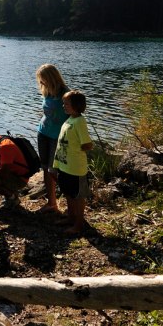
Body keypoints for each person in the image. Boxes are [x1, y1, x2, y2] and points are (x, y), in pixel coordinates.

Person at [53, 90, 94, 235]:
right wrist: (56, 164)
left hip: (76, 167)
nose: (63, 106)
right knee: (68, 193)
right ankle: (71, 217)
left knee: (78, 196)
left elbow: (87, 144)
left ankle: (78, 224)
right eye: (63, 103)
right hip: (65, 166)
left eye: (67, 104)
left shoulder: (80, 121)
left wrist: (81, 147)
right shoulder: (69, 119)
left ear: (76, 105)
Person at [34, 63, 69, 214]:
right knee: (45, 169)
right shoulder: (47, 92)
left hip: (57, 137)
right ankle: (52, 203)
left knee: (55, 171)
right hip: (43, 133)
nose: (41, 83)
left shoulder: (66, 94)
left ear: (52, 78)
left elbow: (74, 116)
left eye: (43, 80)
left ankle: (71, 204)